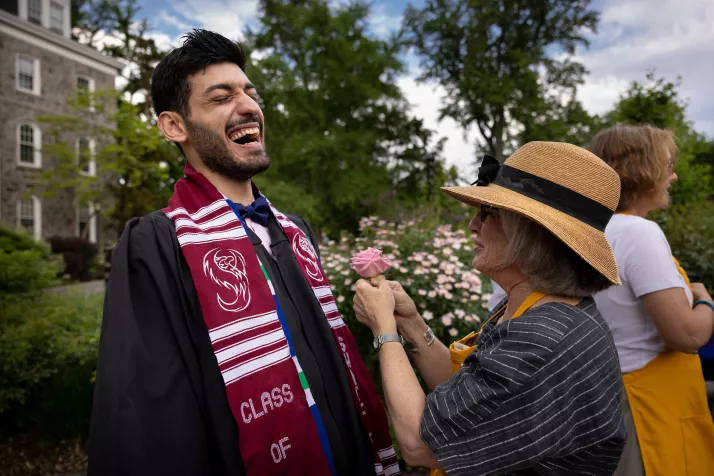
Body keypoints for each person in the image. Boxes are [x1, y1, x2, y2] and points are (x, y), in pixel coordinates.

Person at [88, 29, 399, 476]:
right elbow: (150, 419)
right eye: (220, 98)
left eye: (250, 93)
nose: (249, 106)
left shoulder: (293, 232)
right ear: (175, 126)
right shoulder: (158, 244)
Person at [353, 142, 627, 475]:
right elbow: (466, 404)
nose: (472, 225)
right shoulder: (542, 311)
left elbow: (418, 444)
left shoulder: (542, 341)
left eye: (487, 213)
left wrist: (385, 330)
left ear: (530, 233)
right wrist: (410, 322)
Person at [588, 124, 714, 476]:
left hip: (603, 398)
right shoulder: (637, 232)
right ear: (643, 171)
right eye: (669, 165)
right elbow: (685, 335)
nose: (673, 176)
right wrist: (705, 301)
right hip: (646, 409)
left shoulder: (587, 231)